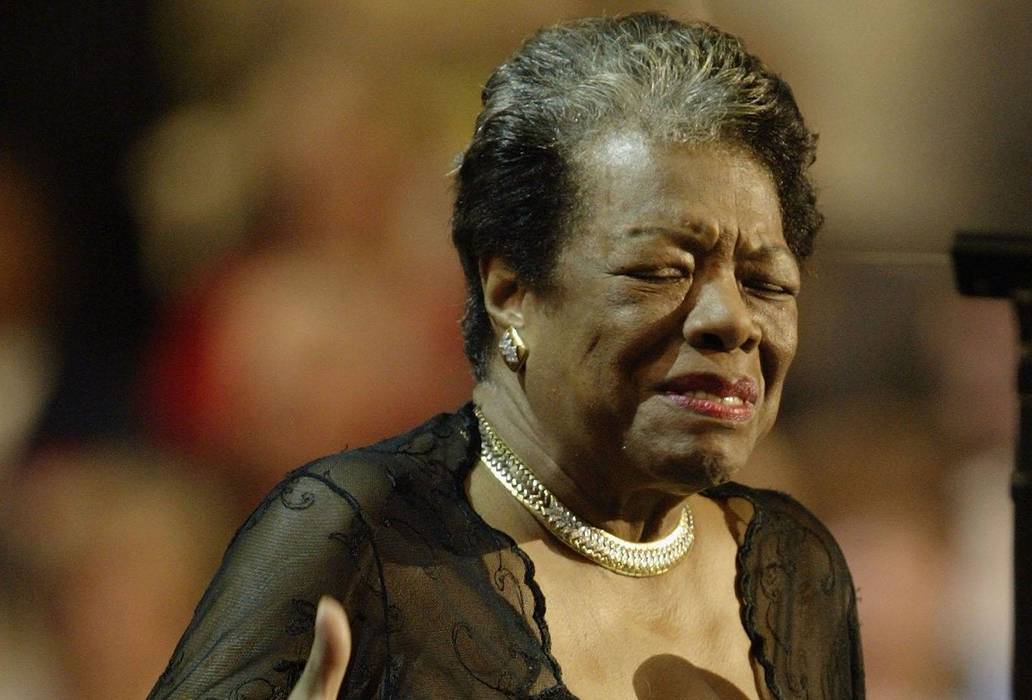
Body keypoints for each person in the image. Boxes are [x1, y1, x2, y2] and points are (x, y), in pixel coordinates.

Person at [149, 12, 863, 699]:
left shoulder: (790, 570)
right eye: (659, 270)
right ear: (511, 292)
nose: (730, 320)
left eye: (767, 283)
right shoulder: (357, 541)